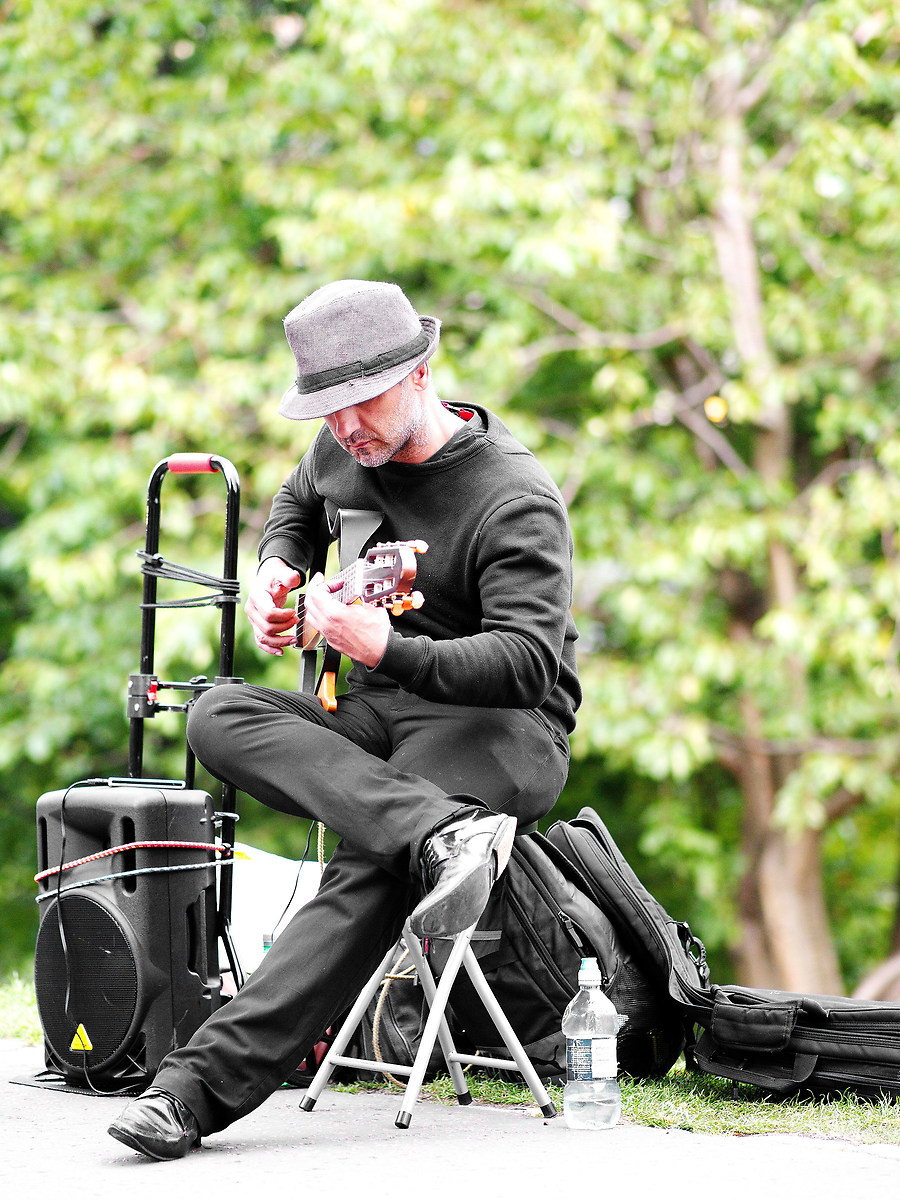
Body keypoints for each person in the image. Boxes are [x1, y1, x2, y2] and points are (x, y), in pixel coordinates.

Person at [108, 278, 581, 1159]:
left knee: (368, 868)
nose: (346, 428)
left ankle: (189, 1092)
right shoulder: (341, 447)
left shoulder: (514, 495)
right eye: (327, 412)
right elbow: (297, 505)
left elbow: (528, 664)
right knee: (217, 714)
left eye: (362, 403)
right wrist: (275, 570)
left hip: (498, 726)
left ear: (421, 372)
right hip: (375, 714)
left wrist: (388, 649)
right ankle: (439, 835)